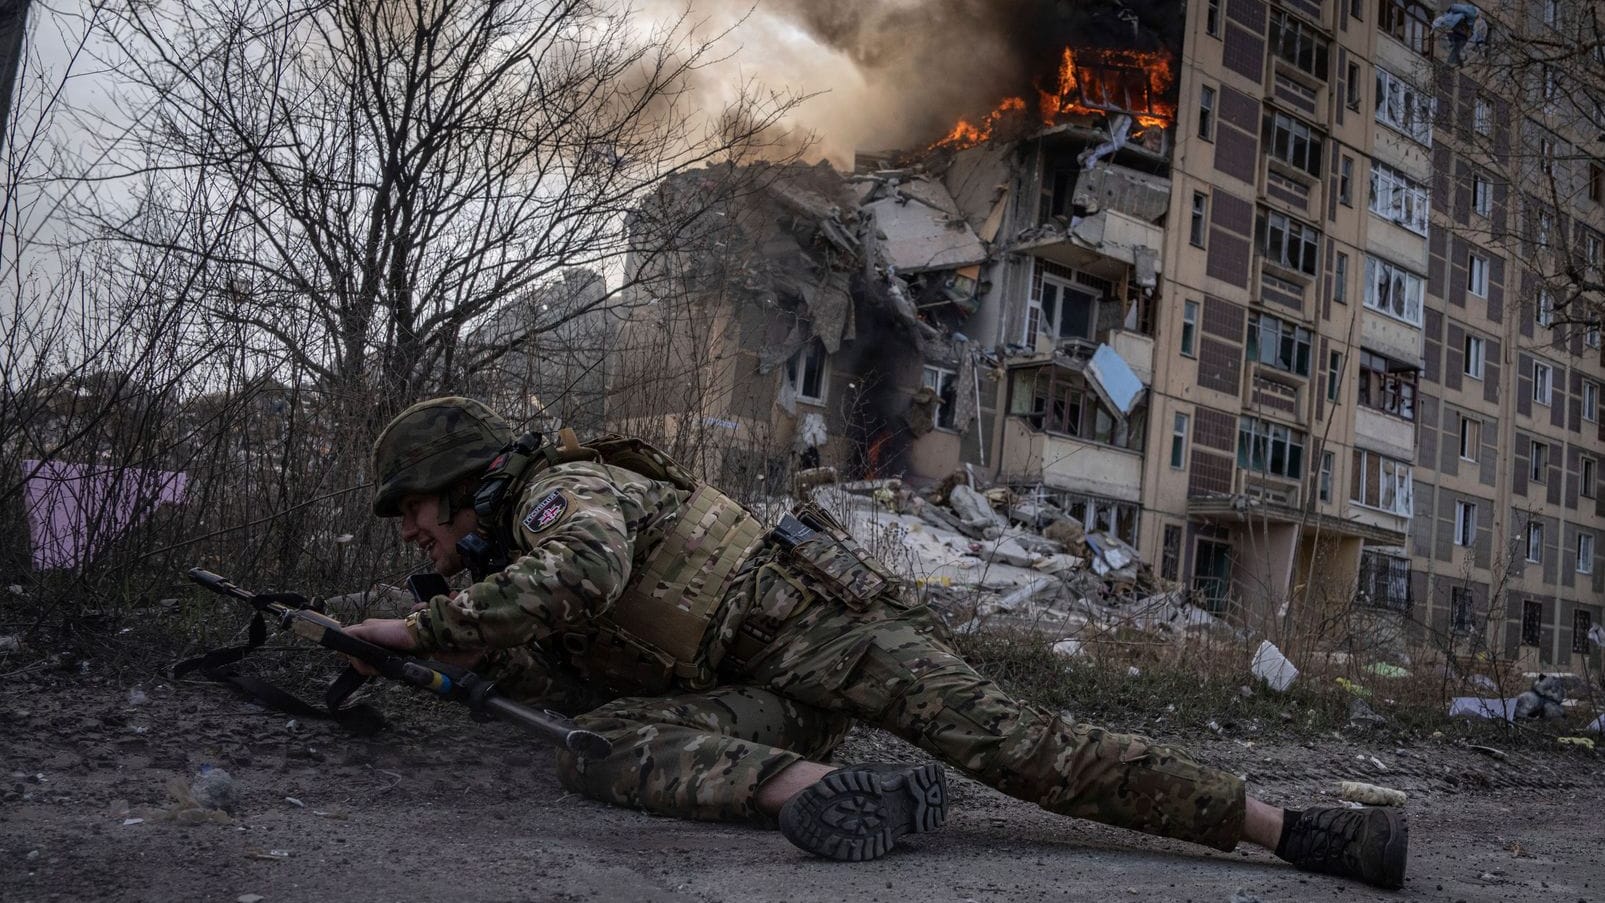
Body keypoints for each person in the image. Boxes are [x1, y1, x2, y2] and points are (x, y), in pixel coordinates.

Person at [346, 397, 1409, 888]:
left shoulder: (559, 494)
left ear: (469, 482)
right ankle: (814, 790)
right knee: (597, 743)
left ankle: (1298, 831)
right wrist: (446, 653)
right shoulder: (508, 548)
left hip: (836, 641)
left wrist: (419, 624)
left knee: (1031, 752)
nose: (413, 534)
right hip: (769, 700)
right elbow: (584, 655)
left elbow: (585, 570)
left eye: (417, 510)